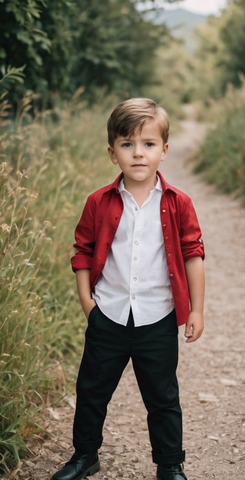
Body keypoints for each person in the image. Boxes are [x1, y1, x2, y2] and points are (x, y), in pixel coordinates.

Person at [51, 98, 205, 480]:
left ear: (164, 151)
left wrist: (197, 310)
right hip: (110, 314)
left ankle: (170, 464)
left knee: (163, 397)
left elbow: (193, 255)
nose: (138, 153)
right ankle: (85, 455)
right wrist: (89, 303)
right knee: (91, 391)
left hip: (158, 316)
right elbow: (83, 252)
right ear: (112, 152)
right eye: (127, 144)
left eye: (149, 144)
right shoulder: (99, 202)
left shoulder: (178, 203)